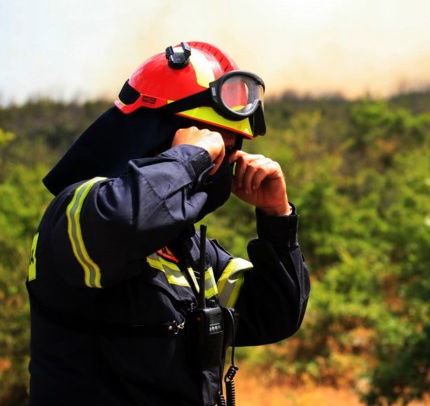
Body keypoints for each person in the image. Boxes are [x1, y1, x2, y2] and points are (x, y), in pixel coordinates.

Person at [26, 41, 310, 405]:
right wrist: (189, 159)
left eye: (229, 147)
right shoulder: (77, 211)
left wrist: (277, 218)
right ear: (159, 137)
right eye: (210, 141)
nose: (220, 158)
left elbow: (277, 313)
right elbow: (127, 221)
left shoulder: (188, 250)